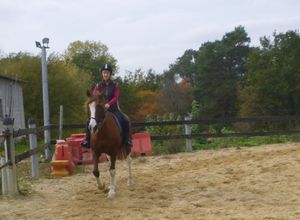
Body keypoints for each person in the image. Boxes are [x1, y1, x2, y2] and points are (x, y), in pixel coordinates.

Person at [80, 63, 132, 149]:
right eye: (104, 72)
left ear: (110, 74)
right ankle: (87, 140)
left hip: (113, 109)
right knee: (88, 122)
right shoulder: (98, 85)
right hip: (101, 110)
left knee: (125, 120)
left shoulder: (115, 85)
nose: (105, 74)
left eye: (107, 73)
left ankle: (127, 140)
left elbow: (116, 97)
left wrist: (109, 103)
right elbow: (94, 96)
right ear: (102, 74)